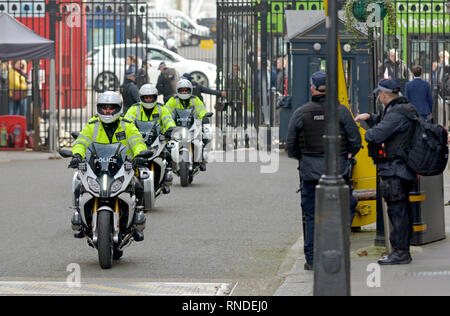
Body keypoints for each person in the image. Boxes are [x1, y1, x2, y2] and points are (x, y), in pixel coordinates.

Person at [286, 72, 362, 271]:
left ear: (312, 89)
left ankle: (311, 259)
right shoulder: (342, 112)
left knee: (311, 215)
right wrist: (345, 155)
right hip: (338, 171)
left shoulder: (301, 113)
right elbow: (356, 141)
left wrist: (304, 158)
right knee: (344, 209)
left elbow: (291, 145)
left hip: (310, 173)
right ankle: (340, 251)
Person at [355, 79, 418, 265]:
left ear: (384, 95)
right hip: (402, 168)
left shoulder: (397, 114)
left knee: (397, 211)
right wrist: (371, 118)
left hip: (395, 169)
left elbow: (376, 135)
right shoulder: (403, 108)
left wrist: (367, 131)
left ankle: (401, 252)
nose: (379, 97)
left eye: (379, 94)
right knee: (401, 210)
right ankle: (401, 250)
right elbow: (388, 125)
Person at [70, 91, 147, 241]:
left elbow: (137, 141)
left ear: (118, 108)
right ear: (99, 108)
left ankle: (137, 218)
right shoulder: (92, 125)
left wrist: (139, 154)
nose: (107, 111)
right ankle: (79, 217)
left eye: (111, 108)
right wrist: (77, 155)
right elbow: (81, 142)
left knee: (138, 184)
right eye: (104, 107)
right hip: (97, 167)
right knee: (78, 183)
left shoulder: (127, 126)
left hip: (122, 167)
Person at [124, 84, 177, 193]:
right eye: (146, 97)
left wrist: (170, 128)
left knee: (168, 154)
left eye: (151, 97)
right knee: (127, 158)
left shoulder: (161, 108)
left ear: (155, 97)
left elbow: (168, 120)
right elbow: (127, 122)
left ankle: (166, 178)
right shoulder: (134, 109)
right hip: (139, 139)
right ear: (141, 98)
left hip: (157, 140)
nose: (148, 100)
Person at [165, 79, 209, 171]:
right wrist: (168, 123)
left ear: (190, 91)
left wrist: (204, 116)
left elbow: (200, 109)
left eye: (186, 90)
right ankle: (168, 161)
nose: (184, 92)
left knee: (203, 137)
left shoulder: (195, 99)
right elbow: (167, 112)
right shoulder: (173, 100)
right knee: (166, 140)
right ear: (178, 91)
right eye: (182, 90)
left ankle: (201, 159)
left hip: (192, 125)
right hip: (177, 126)